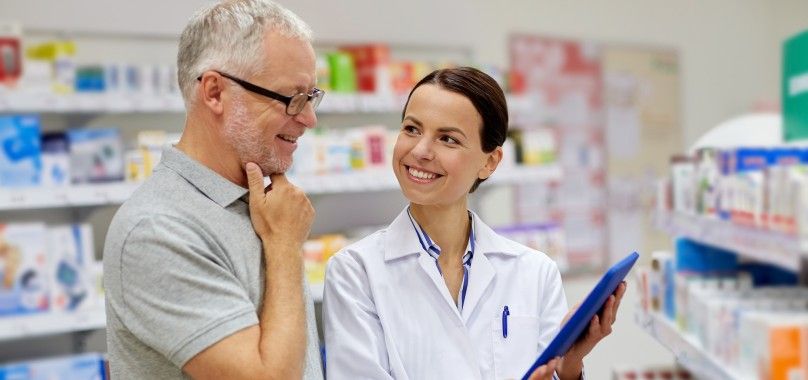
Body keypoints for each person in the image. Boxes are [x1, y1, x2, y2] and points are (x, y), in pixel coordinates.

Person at [323, 67, 626, 380]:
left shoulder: (536, 272)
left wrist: (569, 367)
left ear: (489, 162)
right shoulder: (356, 272)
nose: (420, 150)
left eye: (448, 139)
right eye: (412, 129)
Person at [102, 1, 324, 378]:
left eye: (312, 96)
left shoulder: (262, 206)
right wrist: (285, 246)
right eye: (292, 99)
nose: (308, 118)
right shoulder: (157, 230)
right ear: (215, 92)